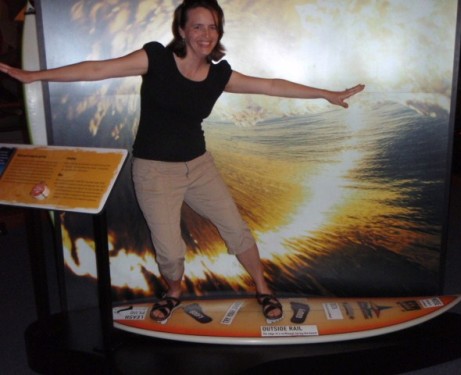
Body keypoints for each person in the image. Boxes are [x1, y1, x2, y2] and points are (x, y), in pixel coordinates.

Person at [0, 0, 364, 323]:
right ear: (182, 30)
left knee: (236, 229)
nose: (205, 34)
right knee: (170, 251)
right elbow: (98, 70)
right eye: (197, 26)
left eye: (212, 26)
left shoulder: (219, 75)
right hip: (155, 171)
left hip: (199, 166)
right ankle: (174, 290)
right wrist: (34, 76)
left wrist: (325, 94)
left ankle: (262, 287)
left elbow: (270, 86)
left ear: (218, 31)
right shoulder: (156, 58)